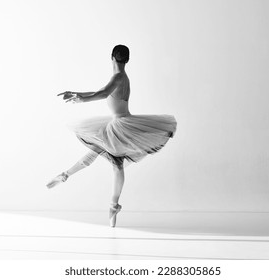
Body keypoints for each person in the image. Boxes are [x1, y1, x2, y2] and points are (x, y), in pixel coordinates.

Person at [46, 45, 177, 227]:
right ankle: (68, 177)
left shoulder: (118, 77)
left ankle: (106, 201)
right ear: (126, 60)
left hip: (121, 126)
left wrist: (82, 99)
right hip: (118, 124)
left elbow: (103, 94)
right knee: (100, 154)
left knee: (113, 162)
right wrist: (77, 93)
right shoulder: (120, 77)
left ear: (112, 58)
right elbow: (99, 90)